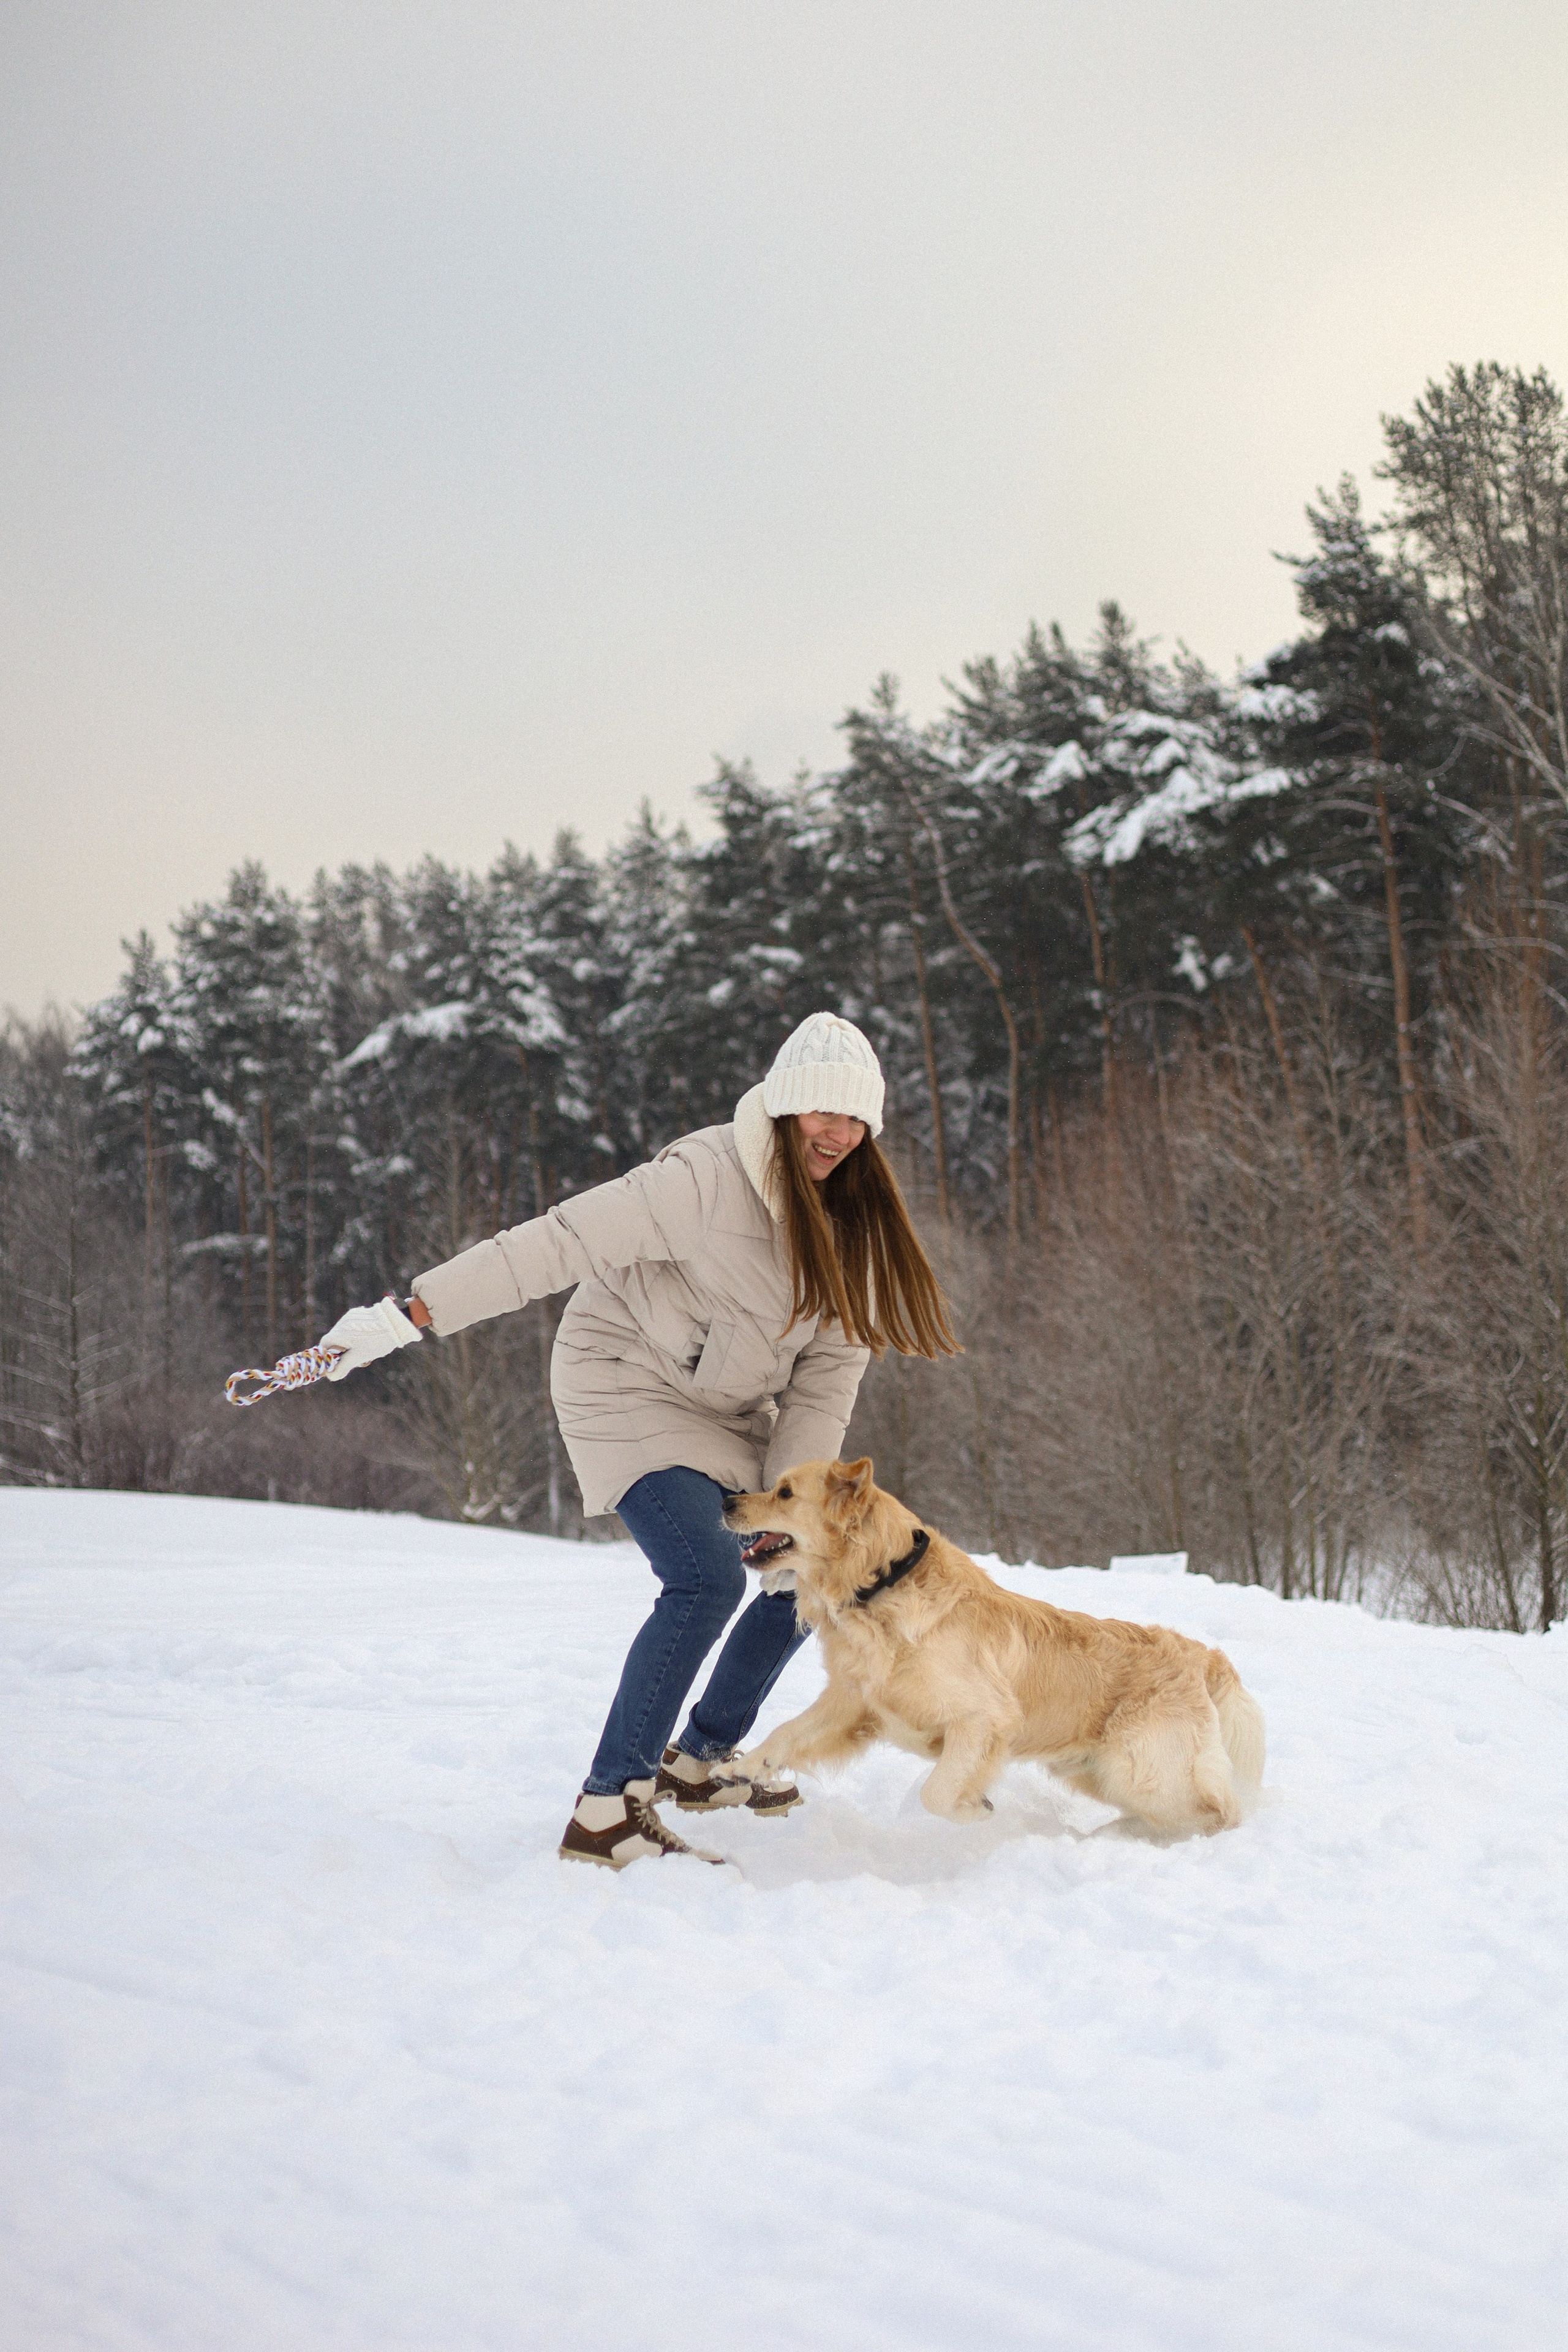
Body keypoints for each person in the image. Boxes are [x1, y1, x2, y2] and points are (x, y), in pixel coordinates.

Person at [321, 1011, 956, 1869]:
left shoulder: (855, 1238)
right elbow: (557, 1243)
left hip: (728, 1413)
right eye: (822, 1111)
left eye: (854, 1119)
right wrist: (413, 1314)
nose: (837, 1133)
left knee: (811, 1569)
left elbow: (821, 1390)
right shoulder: (703, 1179)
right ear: (784, 1106)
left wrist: (794, 1514)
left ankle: (700, 1759)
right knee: (703, 1578)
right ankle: (608, 1807)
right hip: (624, 1382)